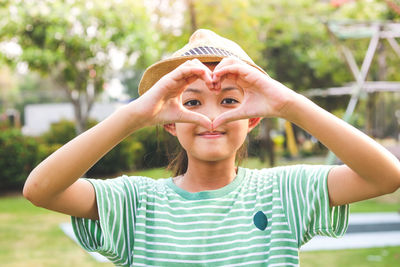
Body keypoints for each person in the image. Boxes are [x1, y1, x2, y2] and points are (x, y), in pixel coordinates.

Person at [23, 29, 400, 266]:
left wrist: (288, 104)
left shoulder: (284, 193)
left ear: (254, 117)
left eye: (230, 101)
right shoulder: (137, 202)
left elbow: (385, 176)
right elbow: (40, 189)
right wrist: (135, 115)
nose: (211, 117)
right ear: (168, 121)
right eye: (192, 103)